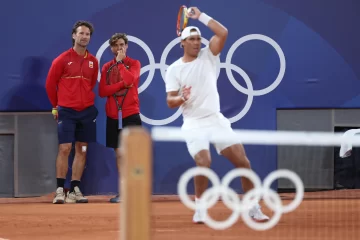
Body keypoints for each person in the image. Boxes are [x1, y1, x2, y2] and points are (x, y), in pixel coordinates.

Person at [165, 7, 270, 223]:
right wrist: (182, 98)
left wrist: (200, 16)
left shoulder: (209, 56)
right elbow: (170, 102)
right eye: (192, 39)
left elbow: (223, 33)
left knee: (243, 162)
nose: (196, 42)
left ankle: (252, 206)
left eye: (198, 39)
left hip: (216, 120)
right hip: (193, 123)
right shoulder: (174, 69)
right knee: (204, 162)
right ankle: (200, 208)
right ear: (182, 43)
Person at [45, 20, 99, 204]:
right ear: (74, 35)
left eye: (87, 34)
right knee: (65, 148)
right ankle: (60, 189)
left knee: (82, 149)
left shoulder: (93, 61)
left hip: (86, 112)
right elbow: (50, 84)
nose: (84, 37)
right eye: (81, 33)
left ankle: (75, 188)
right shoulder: (62, 59)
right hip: (67, 111)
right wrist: (55, 106)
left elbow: (91, 85)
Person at [98, 33, 142, 203]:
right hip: (113, 115)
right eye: (116, 45)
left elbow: (131, 79)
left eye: (122, 44)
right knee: (119, 155)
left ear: (127, 46)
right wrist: (122, 84)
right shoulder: (106, 67)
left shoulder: (134, 64)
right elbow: (103, 92)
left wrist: (120, 64)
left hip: (131, 113)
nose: (119, 48)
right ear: (111, 48)